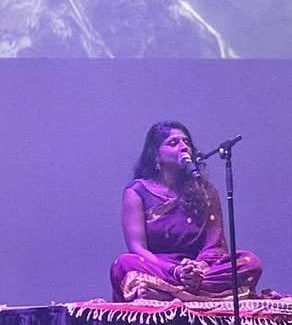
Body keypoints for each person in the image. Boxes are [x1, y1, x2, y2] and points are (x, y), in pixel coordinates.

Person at [110, 120, 263, 302]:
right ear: (156, 156)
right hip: (161, 268)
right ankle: (192, 295)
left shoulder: (205, 191)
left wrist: (198, 268)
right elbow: (137, 248)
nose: (184, 147)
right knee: (124, 263)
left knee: (249, 262)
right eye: (173, 143)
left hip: (202, 272)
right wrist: (176, 271)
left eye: (186, 142)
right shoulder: (136, 192)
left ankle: (168, 294)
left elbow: (215, 245)